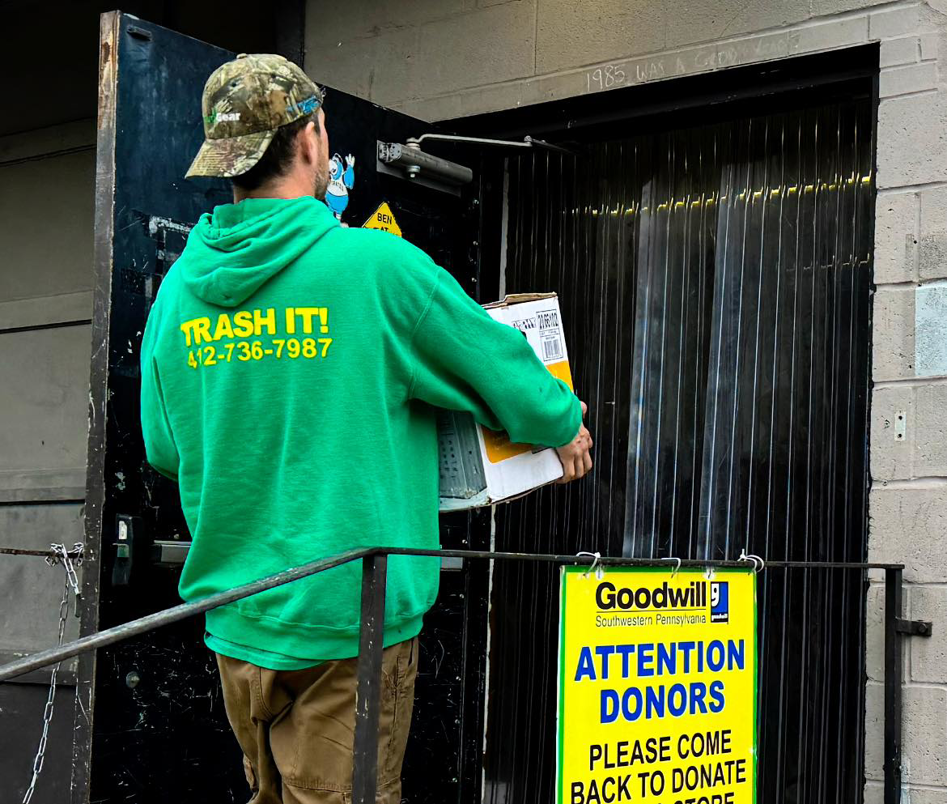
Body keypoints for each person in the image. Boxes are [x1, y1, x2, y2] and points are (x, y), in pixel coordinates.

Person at [139, 53, 593, 804]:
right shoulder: (376, 267)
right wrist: (563, 425)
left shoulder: (179, 292)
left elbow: (164, 447)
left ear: (226, 159)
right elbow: (507, 373)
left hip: (239, 623)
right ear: (311, 138)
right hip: (350, 625)